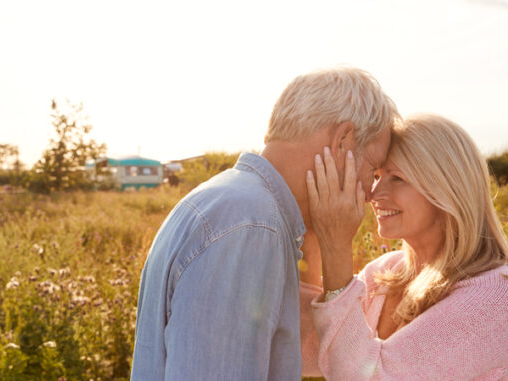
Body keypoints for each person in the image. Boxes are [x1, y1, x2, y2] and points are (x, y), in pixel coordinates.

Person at [130, 67, 400, 380]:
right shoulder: (254, 227)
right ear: (342, 141)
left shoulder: (233, 201)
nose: (370, 193)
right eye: (373, 170)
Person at [299, 114, 508, 380]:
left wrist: (336, 246)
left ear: (447, 188)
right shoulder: (384, 272)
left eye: (397, 178)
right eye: (376, 176)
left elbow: (368, 375)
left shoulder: (500, 297)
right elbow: (311, 351)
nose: (374, 194)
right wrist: (310, 231)